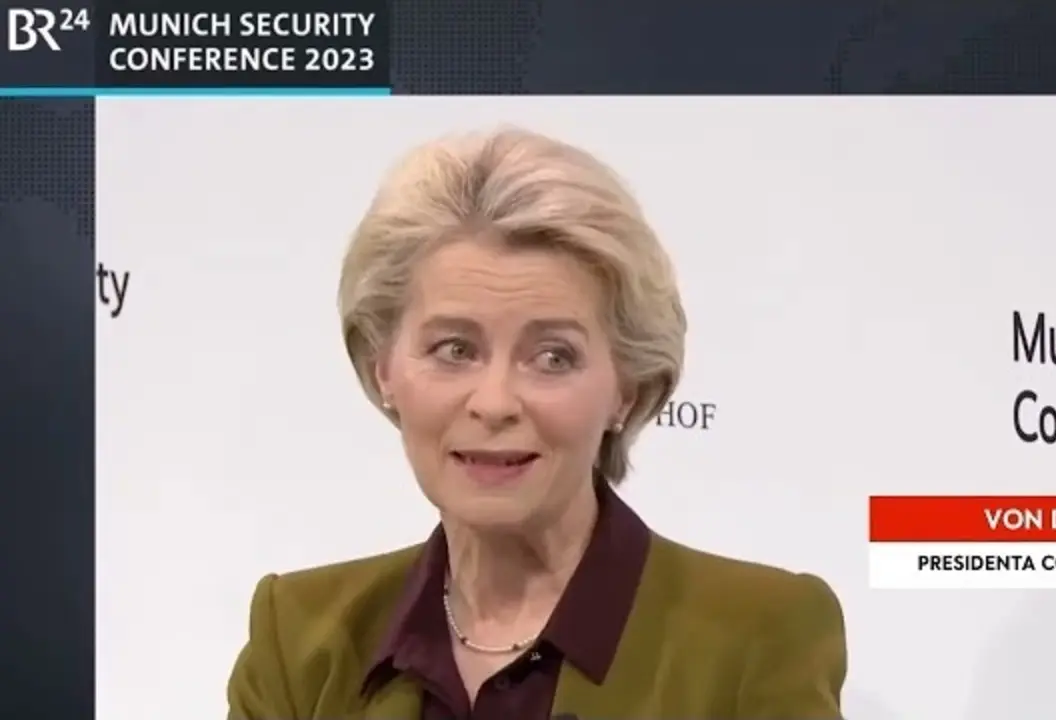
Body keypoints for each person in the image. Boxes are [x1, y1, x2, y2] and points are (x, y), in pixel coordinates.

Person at [225, 127, 847, 720]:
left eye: (553, 357)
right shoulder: (298, 639)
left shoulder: (759, 637)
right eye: (454, 349)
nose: (494, 402)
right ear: (382, 368)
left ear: (626, 389)